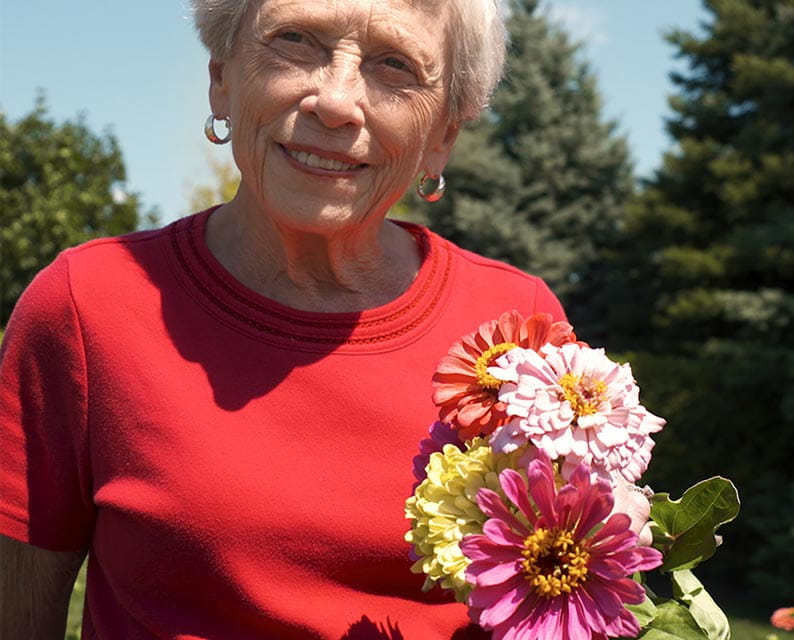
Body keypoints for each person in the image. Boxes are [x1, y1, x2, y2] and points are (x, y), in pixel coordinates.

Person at [0, 0, 565, 637]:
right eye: (296, 40)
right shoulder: (86, 305)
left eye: (394, 65)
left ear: (442, 136)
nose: (336, 101)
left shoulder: (518, 331)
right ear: (222, 78)